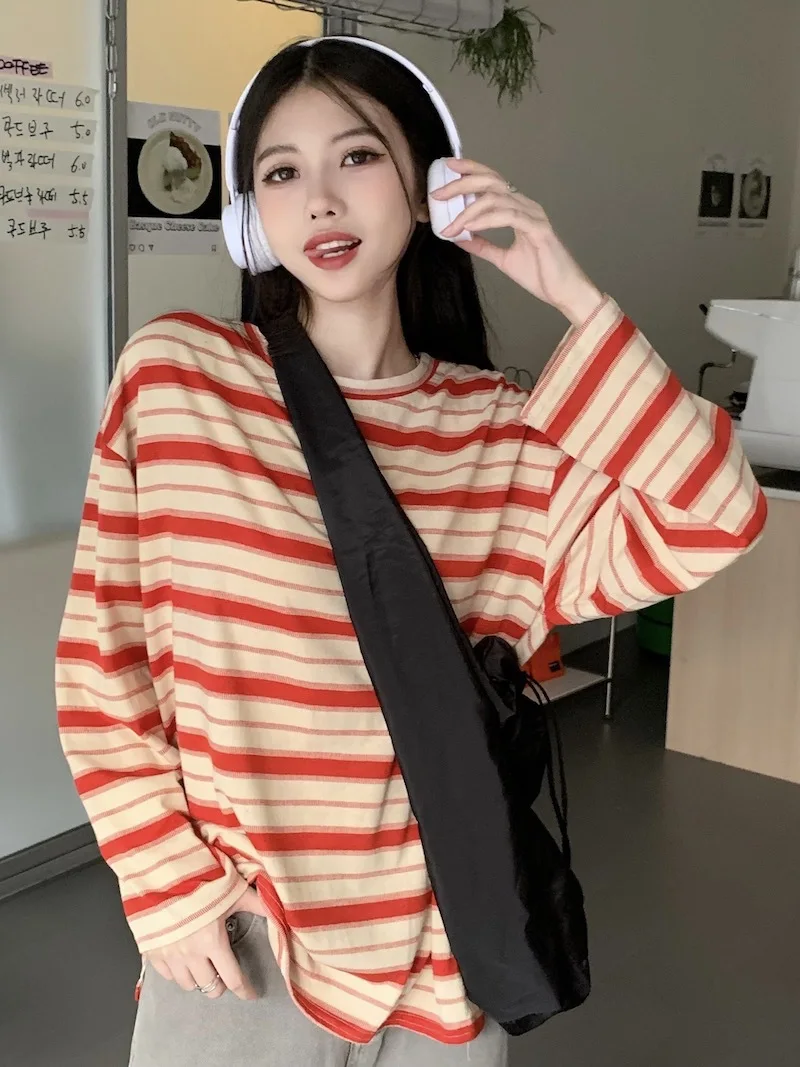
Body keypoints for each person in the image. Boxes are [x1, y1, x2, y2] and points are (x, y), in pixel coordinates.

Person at [55, 36, 765, 1067]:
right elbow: (102, 655)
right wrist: (165, 882)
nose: (319, 201)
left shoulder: (505, 429)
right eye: (281, 173)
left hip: (448, 946)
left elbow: (717, 512)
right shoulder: (180, 380)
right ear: (251, 218)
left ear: (431, 188)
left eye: (357, 156)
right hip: (245, 935)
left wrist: (574, 296)